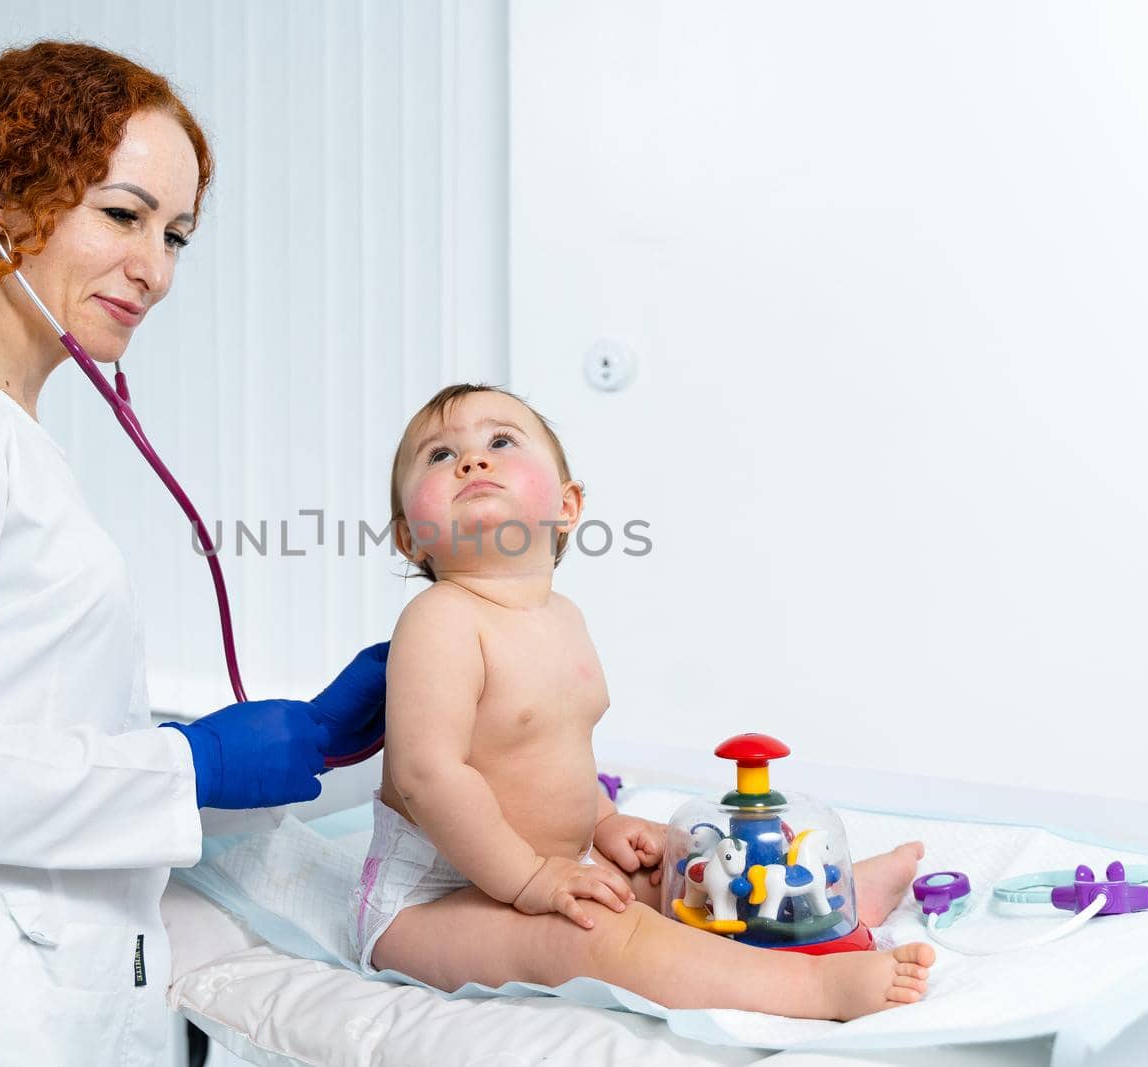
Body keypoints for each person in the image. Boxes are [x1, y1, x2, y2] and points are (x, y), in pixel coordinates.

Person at [0, 41, 385, 1065]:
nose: (157, 268)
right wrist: (191, 762)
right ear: (5, 202)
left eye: (176, 233)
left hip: (55, 995)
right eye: (124, 215)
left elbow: (49, 743)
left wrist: (319, 747)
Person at [348, 383, 936, 1021]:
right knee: (597, 933)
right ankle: (810, 990)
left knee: (683, 873)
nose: (472, 462)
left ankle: (820, 909)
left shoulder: (563, 618)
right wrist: (532, 882)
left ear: (566, 507)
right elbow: (428, 776)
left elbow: (556, 750)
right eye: (439, 456)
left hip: (552, 865)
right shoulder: (440, 621)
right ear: (410, 538)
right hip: (433, 901)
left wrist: (602, 824)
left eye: (500, 442)